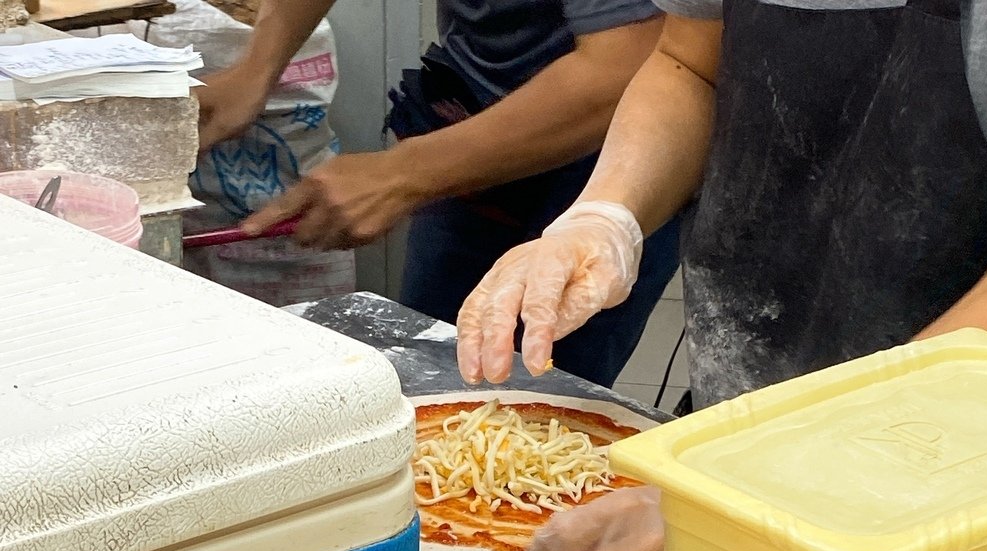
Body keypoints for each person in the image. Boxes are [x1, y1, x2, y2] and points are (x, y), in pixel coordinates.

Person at [457, 0, 987, 551]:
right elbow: (687, 62)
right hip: (745, 427)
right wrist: (606, 213)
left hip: (956, 500)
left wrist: (756, 494)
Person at [202, 0, 684, 388]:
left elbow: (629, 62)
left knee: (532, 424)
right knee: (426, 380)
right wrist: (257, 69)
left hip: (604, 166)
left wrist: (402, 175)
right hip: (466, 112)